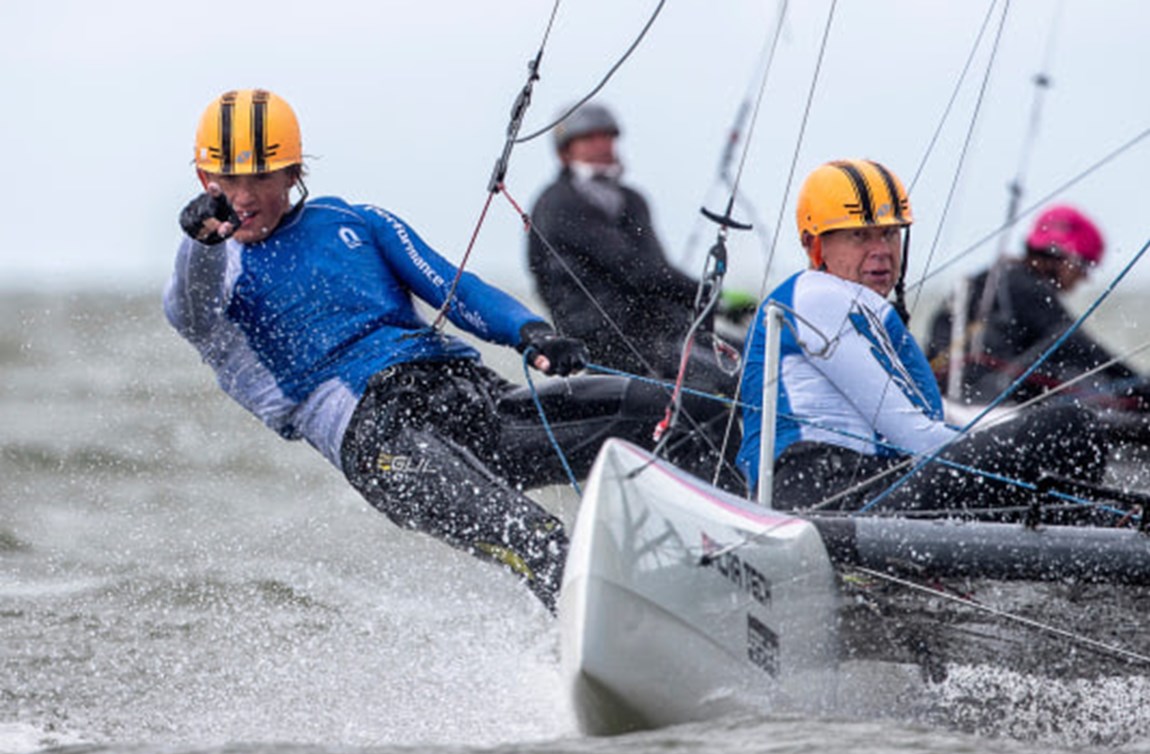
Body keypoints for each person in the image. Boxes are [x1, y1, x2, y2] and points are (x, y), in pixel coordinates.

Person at [164, 89, 730, 614]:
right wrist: (200, 241)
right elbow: (188, 311)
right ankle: (624, 654)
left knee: (680, 414)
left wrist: (529, 333)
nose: (242, 196)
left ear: (293, 171)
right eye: (225, 179)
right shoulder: (213, 272)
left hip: (470, 398)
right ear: (202, 177)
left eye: (260, 175)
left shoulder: (356, 222)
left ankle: (740, 560)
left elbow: (451, 286)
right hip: (380, 440)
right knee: (540, 540)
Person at [736, 159, 1107, 512]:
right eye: (860, 237)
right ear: (813, 244)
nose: (881, 251)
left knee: (1050, 455)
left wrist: (995, 444)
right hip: (825, 498)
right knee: (1068, 427)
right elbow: (912, 435)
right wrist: (1001, 450)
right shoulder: (818, 295)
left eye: (890, 234)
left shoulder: (846, 303)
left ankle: (1100, 529)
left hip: (858, 486)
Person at [526, 101, 754, 396]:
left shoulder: (632, 199)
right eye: (589, 138)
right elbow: (636, 270)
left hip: (663, 332)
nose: (602, 145)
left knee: (759, 360)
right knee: (737, 384)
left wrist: (707, 311)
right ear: (565, 151)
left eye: (607, 136)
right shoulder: (558, 203)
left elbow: (657, 270)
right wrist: (715, 298)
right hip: (611, 345)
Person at [926, 204, 1145, 408]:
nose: (1085, 277)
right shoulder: (1022, 285)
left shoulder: (990, 279)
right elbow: (1075, 345)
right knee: (1073, 367)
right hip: (981, 401)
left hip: (946, 395)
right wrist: (1138, 383)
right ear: (1063, 256)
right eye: (1085, 265)